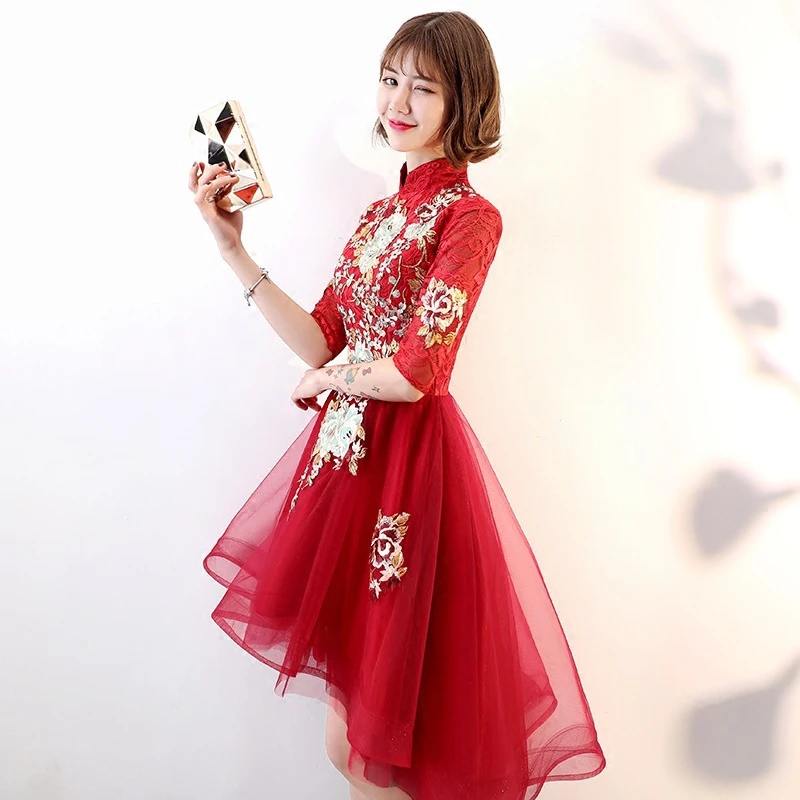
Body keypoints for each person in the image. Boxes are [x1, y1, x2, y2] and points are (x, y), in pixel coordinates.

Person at [187, 11, 606, 800]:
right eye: (390, 80)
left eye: (424, 87)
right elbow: (321, 338)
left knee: (379, 745)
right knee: (349, 742)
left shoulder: (470, 218)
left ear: (465, 101)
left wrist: (329, 382)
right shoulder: (380, 216)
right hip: (346, 473)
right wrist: (233, 248)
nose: (399, 102)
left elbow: (419, 373)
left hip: (409, 476)